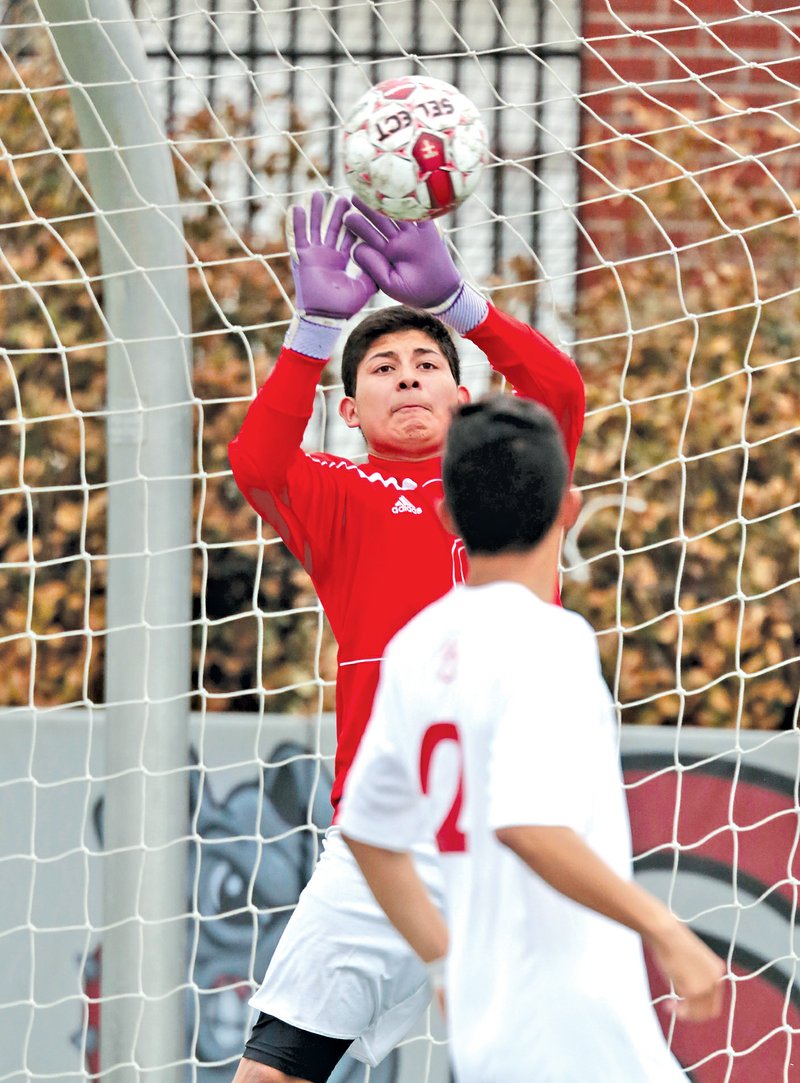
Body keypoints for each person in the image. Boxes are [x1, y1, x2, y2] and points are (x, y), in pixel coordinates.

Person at [228, 191, 585, 1082]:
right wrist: (313, 328)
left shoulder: (507, 478)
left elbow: (558, 391)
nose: (409, 375)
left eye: (428, 361)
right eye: (382, 367)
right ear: (347, 411)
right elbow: (257, 462)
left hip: (511, 833)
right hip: (376, 832)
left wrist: (464, 303)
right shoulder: (337, 495)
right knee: (273, 1069)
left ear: (464, 397)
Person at [339, 395, 727, 1083]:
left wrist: (442, 960)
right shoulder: (550, 639)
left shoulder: (415, 646)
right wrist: (665, 929)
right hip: (577, 1037)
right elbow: (527, 822)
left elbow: (367, 831)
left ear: (446, 516)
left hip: (491, 1039)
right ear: (569, 508)